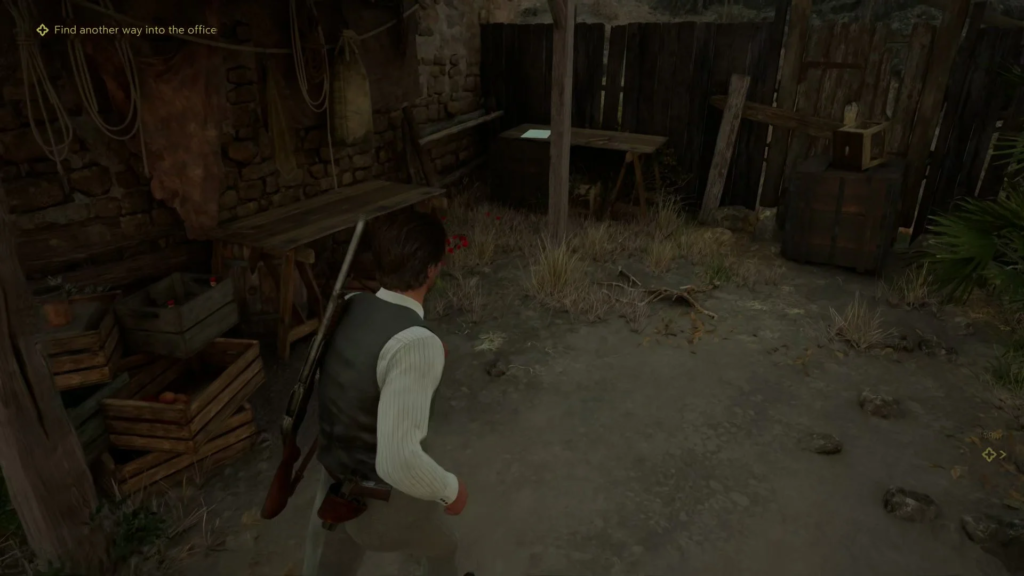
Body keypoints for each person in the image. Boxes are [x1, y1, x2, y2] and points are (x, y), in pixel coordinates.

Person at [303, 209, 468, 576]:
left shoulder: (350, 305)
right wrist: (450, 489)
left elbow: (354, 378)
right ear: (431, 270)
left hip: (333, 482)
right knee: (445, 547)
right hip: (379, 505)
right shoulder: (413, 342)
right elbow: (397, 462)